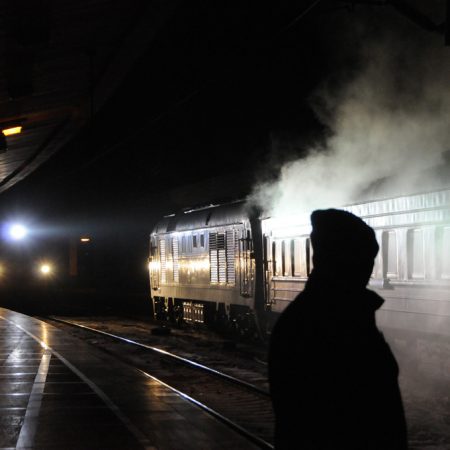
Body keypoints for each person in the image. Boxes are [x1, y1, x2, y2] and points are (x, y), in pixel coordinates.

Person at [268, 208, 408, 450]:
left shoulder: (321, 317)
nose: (368, 270)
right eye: (364, 259)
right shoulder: (326, 324)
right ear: (343, 259)